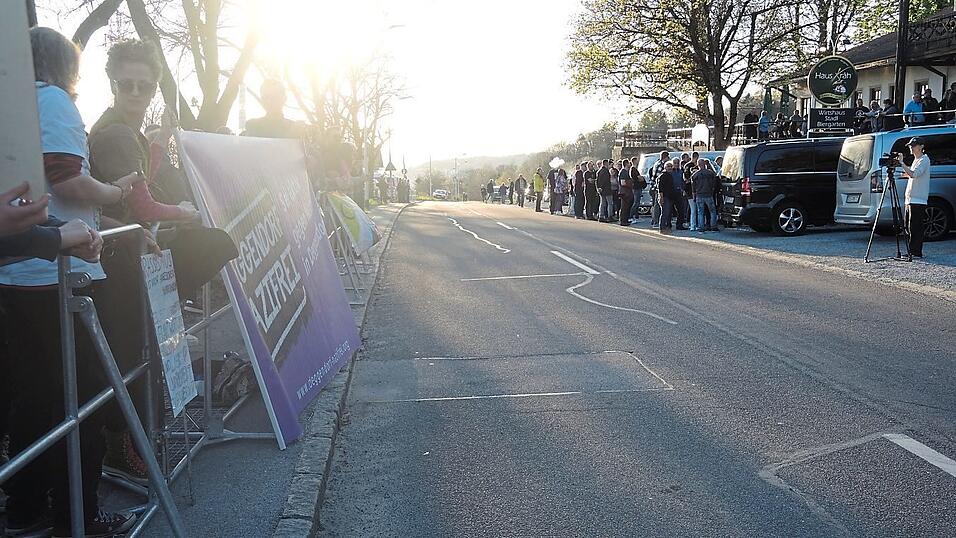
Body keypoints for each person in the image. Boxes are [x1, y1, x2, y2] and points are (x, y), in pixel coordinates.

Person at [0, 27, 147, 537]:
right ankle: (79, 518)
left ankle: (25, 509)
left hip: (17, 270)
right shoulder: (55, 102)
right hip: (59, 271)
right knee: (81, 400)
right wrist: (112, 192)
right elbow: (65, 177)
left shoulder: (12, 108)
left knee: (35, 397)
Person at [898, 137, 931, 258]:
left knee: (915, 227)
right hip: (911, 199)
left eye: (914, 145)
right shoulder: (916, 160)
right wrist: (904, 173)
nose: (911, 148)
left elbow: (914, 174)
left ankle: (915, 251)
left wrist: (902, 163)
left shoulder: (924, 160)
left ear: (921, 146)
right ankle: (912, 250)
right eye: (910, 146)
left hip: (918, 199)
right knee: (908, 225)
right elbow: (911, 174)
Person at [692, 159, 720, 232]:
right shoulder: (710, 173)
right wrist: (712, 190)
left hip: (699, 195)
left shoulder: (695, 175)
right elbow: (714, 183)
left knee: (700, 212)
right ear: (704, 164)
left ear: (698, 165)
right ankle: (713, 226)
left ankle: (701, 227)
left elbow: (693, 187)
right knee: (712, 211)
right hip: (709, 194)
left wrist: (694, 195)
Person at [648, 151, 669, 227]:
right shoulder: (661, 165)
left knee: (655, 204)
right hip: (657, 187)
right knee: (657, 205)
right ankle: (656, 221)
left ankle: (654, 220)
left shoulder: (656, 163)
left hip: (653, 186)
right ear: (666, 157)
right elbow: (660, 177)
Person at [657, 161, 679, 233]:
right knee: (664, 213)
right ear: (665, 167)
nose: (670, 168)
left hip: (670, 197)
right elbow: (660, 188)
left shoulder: (670, 175)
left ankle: (667, 227)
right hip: (665, 197)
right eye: (668, 166)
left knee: (668, 213)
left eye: (670, 166)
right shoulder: (663, 176)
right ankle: (662, 228)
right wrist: (661, 198)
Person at [618, 159, 634, 226]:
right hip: (625, 192)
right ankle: (623, 220)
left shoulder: (626, 172)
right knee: (624, 206)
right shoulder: (623, 172)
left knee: (627, 206)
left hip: (628, 191)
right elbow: (623, 183)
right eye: (628, 163)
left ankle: (626, 219)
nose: (630, 164)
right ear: (626, 164)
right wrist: (630, 183)